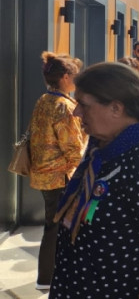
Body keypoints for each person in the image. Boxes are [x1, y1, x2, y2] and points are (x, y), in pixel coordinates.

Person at [49, 63, 139, 297]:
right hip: (91, 282)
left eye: (84, 105)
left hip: (122, 287)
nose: (76, 113)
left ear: (116, 108)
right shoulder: (105, 145)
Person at [28, 52, 86, 290]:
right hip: (60, 175)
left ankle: (47, 277)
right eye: (75, 75)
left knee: (53, 226)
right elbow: (73, 148)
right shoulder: (63, 106)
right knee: (57, 228)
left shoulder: (44, 99)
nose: (77, 79)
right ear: (65, 77)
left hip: (44, 174)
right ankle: (48, 278)